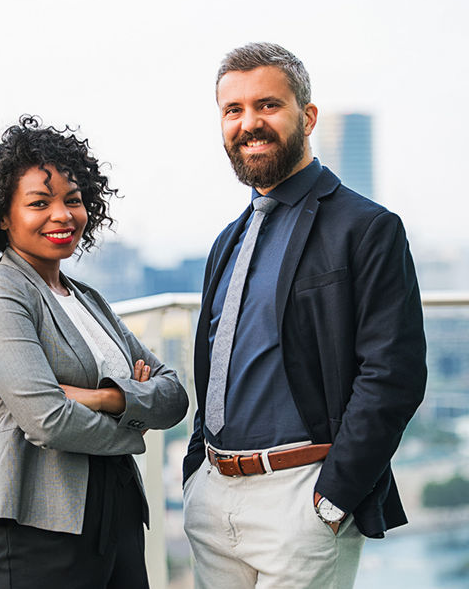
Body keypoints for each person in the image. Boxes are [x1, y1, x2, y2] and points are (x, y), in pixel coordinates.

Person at [182, 42, 427, 588]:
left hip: (302, 498)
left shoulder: (367, 227)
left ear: (307, 116)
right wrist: (197, 472)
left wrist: (335, 495)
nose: (249, 123)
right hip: (214, 496)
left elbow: (394, 373)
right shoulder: (228, 240)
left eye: (267, 105)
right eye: (233, 110)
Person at [0, 115, 189, 589]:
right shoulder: (0, 295)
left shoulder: (86, 298)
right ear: (1, 216)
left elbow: (174, 395)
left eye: (73, 200)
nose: (63, 215)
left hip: (115, 508)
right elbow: (48, 420)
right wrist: (136, 424)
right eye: (40, 203)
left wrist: (106, 399)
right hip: (41, 522)